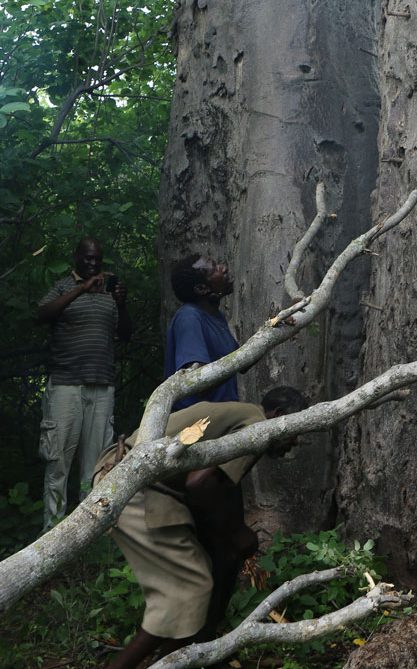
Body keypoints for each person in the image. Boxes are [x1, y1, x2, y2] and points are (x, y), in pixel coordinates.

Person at [94, 386, 308, 669]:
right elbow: (199, 484)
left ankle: (191, 659)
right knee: (186, 590)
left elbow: (217, 489)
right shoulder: (257, 427)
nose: (295, 442)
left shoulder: (242, 417)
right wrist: (235, 535)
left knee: (196, 582)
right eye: (296, 430)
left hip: (140, 479)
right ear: (280, 417)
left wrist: (228, 540)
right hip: (131, 484)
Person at [36, 236, 132, 529]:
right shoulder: (64, 286)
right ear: (76, 258)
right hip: (66, 384)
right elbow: (41, 314)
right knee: (58, 461)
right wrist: (81, 289)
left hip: (101, 385)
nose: (93, 264)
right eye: (88, 259)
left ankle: (88, 531)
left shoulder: (109, 292)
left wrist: (121, 304)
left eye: (97, 260)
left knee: (97, 463)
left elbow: (125, 334)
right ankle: (53, 529)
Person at [165, 254, 239, 410]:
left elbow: (243, 358)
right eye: (215, 268)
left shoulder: (217, 317)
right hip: (196, 421)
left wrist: (283, 319)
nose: (223, 268)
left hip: (220, 412)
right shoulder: (189, 318)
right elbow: (199, 383)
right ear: (201, 289)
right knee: (253, 413)